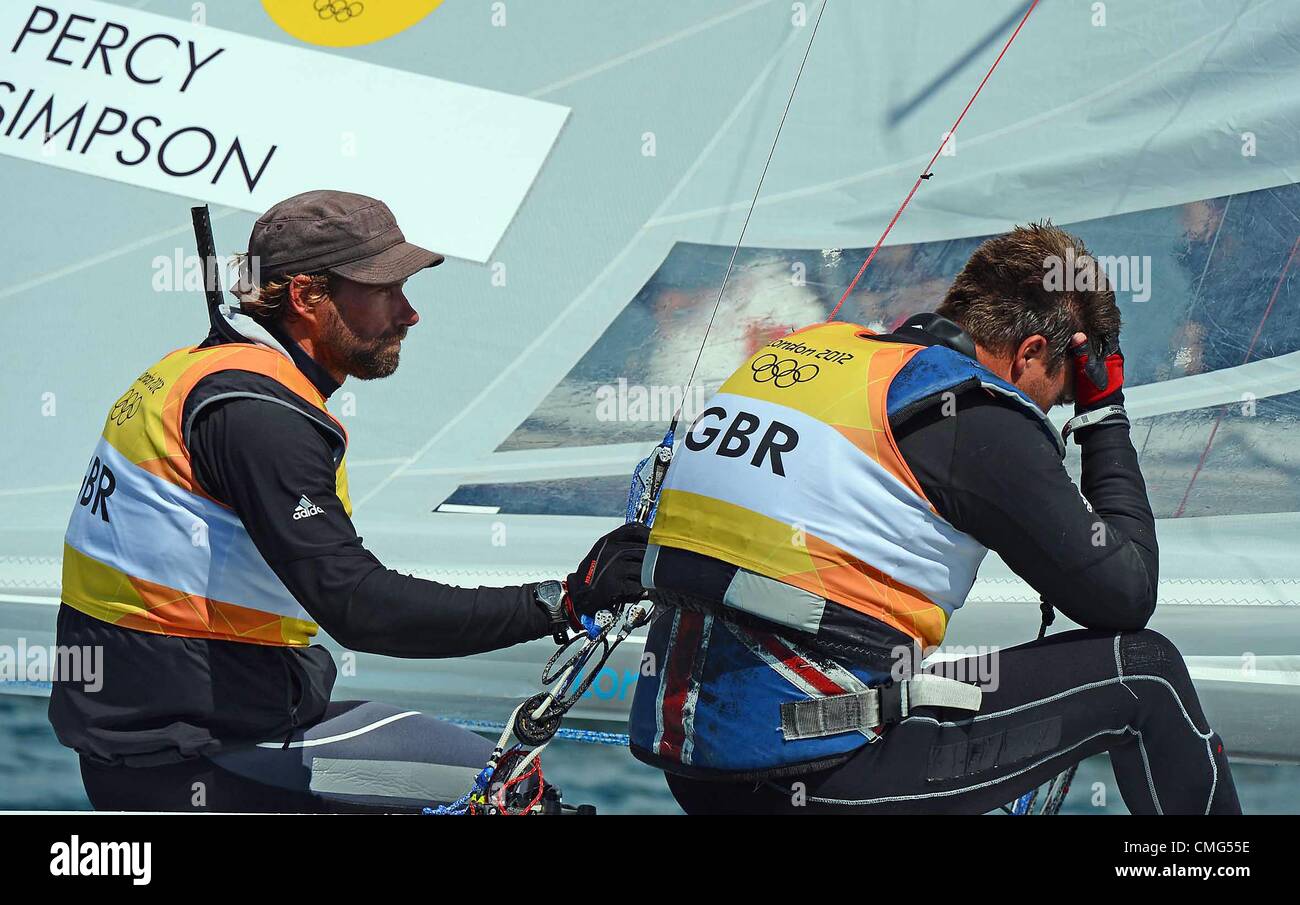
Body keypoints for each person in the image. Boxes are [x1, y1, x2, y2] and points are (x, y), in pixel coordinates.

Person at [51, 189, 648, 812]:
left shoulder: (198, 373)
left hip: (157, 742)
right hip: (199, 755)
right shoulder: (258, 415)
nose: (409, 313)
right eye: (385, 290)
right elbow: (358, 607)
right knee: (513, 796)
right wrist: (564, 600)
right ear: (308, 296)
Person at [630, 222, 1241, 815]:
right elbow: (1127, 596)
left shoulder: (805, 354)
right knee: (1146, 672)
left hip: (694, 761)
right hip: (819, 770)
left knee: (925, 672)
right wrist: (1103, 415)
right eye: (1055, 397)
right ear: (1030, 353)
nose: (1046, 414)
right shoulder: (970, 412)